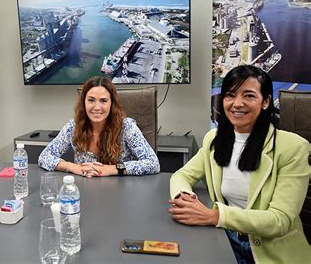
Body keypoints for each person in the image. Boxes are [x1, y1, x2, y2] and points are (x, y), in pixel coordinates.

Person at [168, 65, 311, 263]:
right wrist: (186, 199)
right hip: (224, 240)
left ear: (266, 101)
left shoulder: (293, 148)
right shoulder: (214, 139)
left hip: (271, 251)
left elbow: (279, 220)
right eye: (230, 95)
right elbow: (181, 175)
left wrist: (215, 216)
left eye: (249, 96)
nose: (237, 103)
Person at [38, 76, 160, 177]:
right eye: (91, 100)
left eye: (103, 101)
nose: (97, 107)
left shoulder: (126, 127)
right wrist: (74, 167)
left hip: (120, 192)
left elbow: (153, 164)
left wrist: (113, 169)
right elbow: (44, 157)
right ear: (83, 103)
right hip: (84, 191)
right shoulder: (74, 126)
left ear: (112, 104)